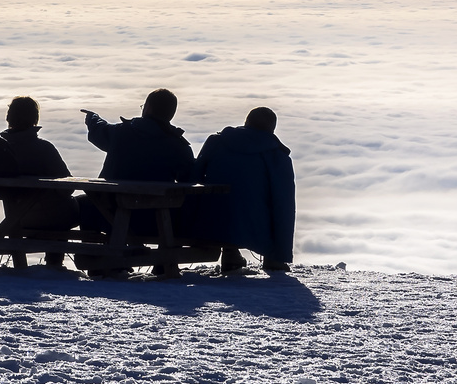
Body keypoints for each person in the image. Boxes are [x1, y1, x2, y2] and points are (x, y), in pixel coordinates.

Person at [188, 106, 296, 274]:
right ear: (271, 130)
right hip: (254, 224)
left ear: (246, 122)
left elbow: (194, 176)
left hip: (209, 222)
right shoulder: (277, 155)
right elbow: (284, 203)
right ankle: (272, 259)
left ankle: (230, 253)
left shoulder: (216, 141)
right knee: (266, 203)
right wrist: (281, 253)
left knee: (226, 199)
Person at [79, 88, 195, 241]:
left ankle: (95, 258)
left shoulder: (120, 133)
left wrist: (93, 118)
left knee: (83, 204)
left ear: (148, 108)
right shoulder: (179, 147)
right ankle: (163, 263)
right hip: (157, 221)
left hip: (109, 217)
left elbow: (100, 130)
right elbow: (189, 182)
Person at [0, 96, 77, 269]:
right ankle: (63, 264)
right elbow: (68, 188)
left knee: (61, 209)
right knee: (85, 206)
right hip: (50, 218)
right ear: (34, 120)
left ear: (9, 118)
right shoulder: (44, 149)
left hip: (14, 220)